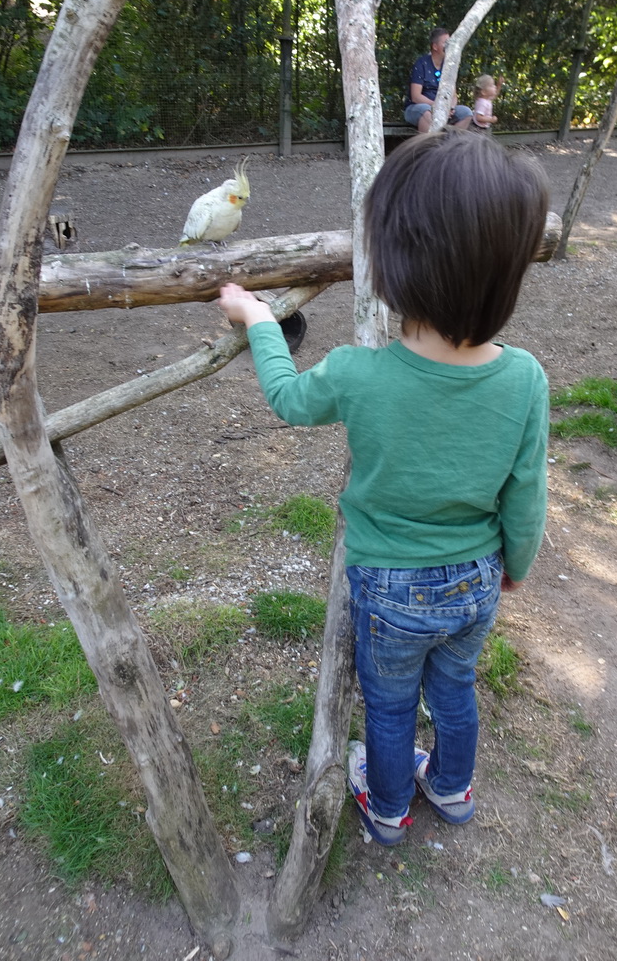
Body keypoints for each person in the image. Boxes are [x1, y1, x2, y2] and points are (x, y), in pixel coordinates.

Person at [217, 130, 549, 847]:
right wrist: (515, 566)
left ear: (396, 264)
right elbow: (527, 493)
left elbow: (286, 396)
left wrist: (258, 321)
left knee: (392, 707)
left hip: (390, 586)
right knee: (455, 690)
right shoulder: (524, 378)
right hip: (476, 582)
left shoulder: (357, 374)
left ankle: (390, 807)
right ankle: (452, 789)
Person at [404, 27, 473, 133]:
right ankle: (427, 147)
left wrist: (451, 107)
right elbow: (416, 97)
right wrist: (437, 106)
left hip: (442, 109)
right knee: (426, 112)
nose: (449, 46)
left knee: (466, 113)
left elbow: (453, 95)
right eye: (446, 43)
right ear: (435, 46)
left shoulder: (449, 66)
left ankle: (449, 144)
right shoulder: (421, 64)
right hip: (418, 108)